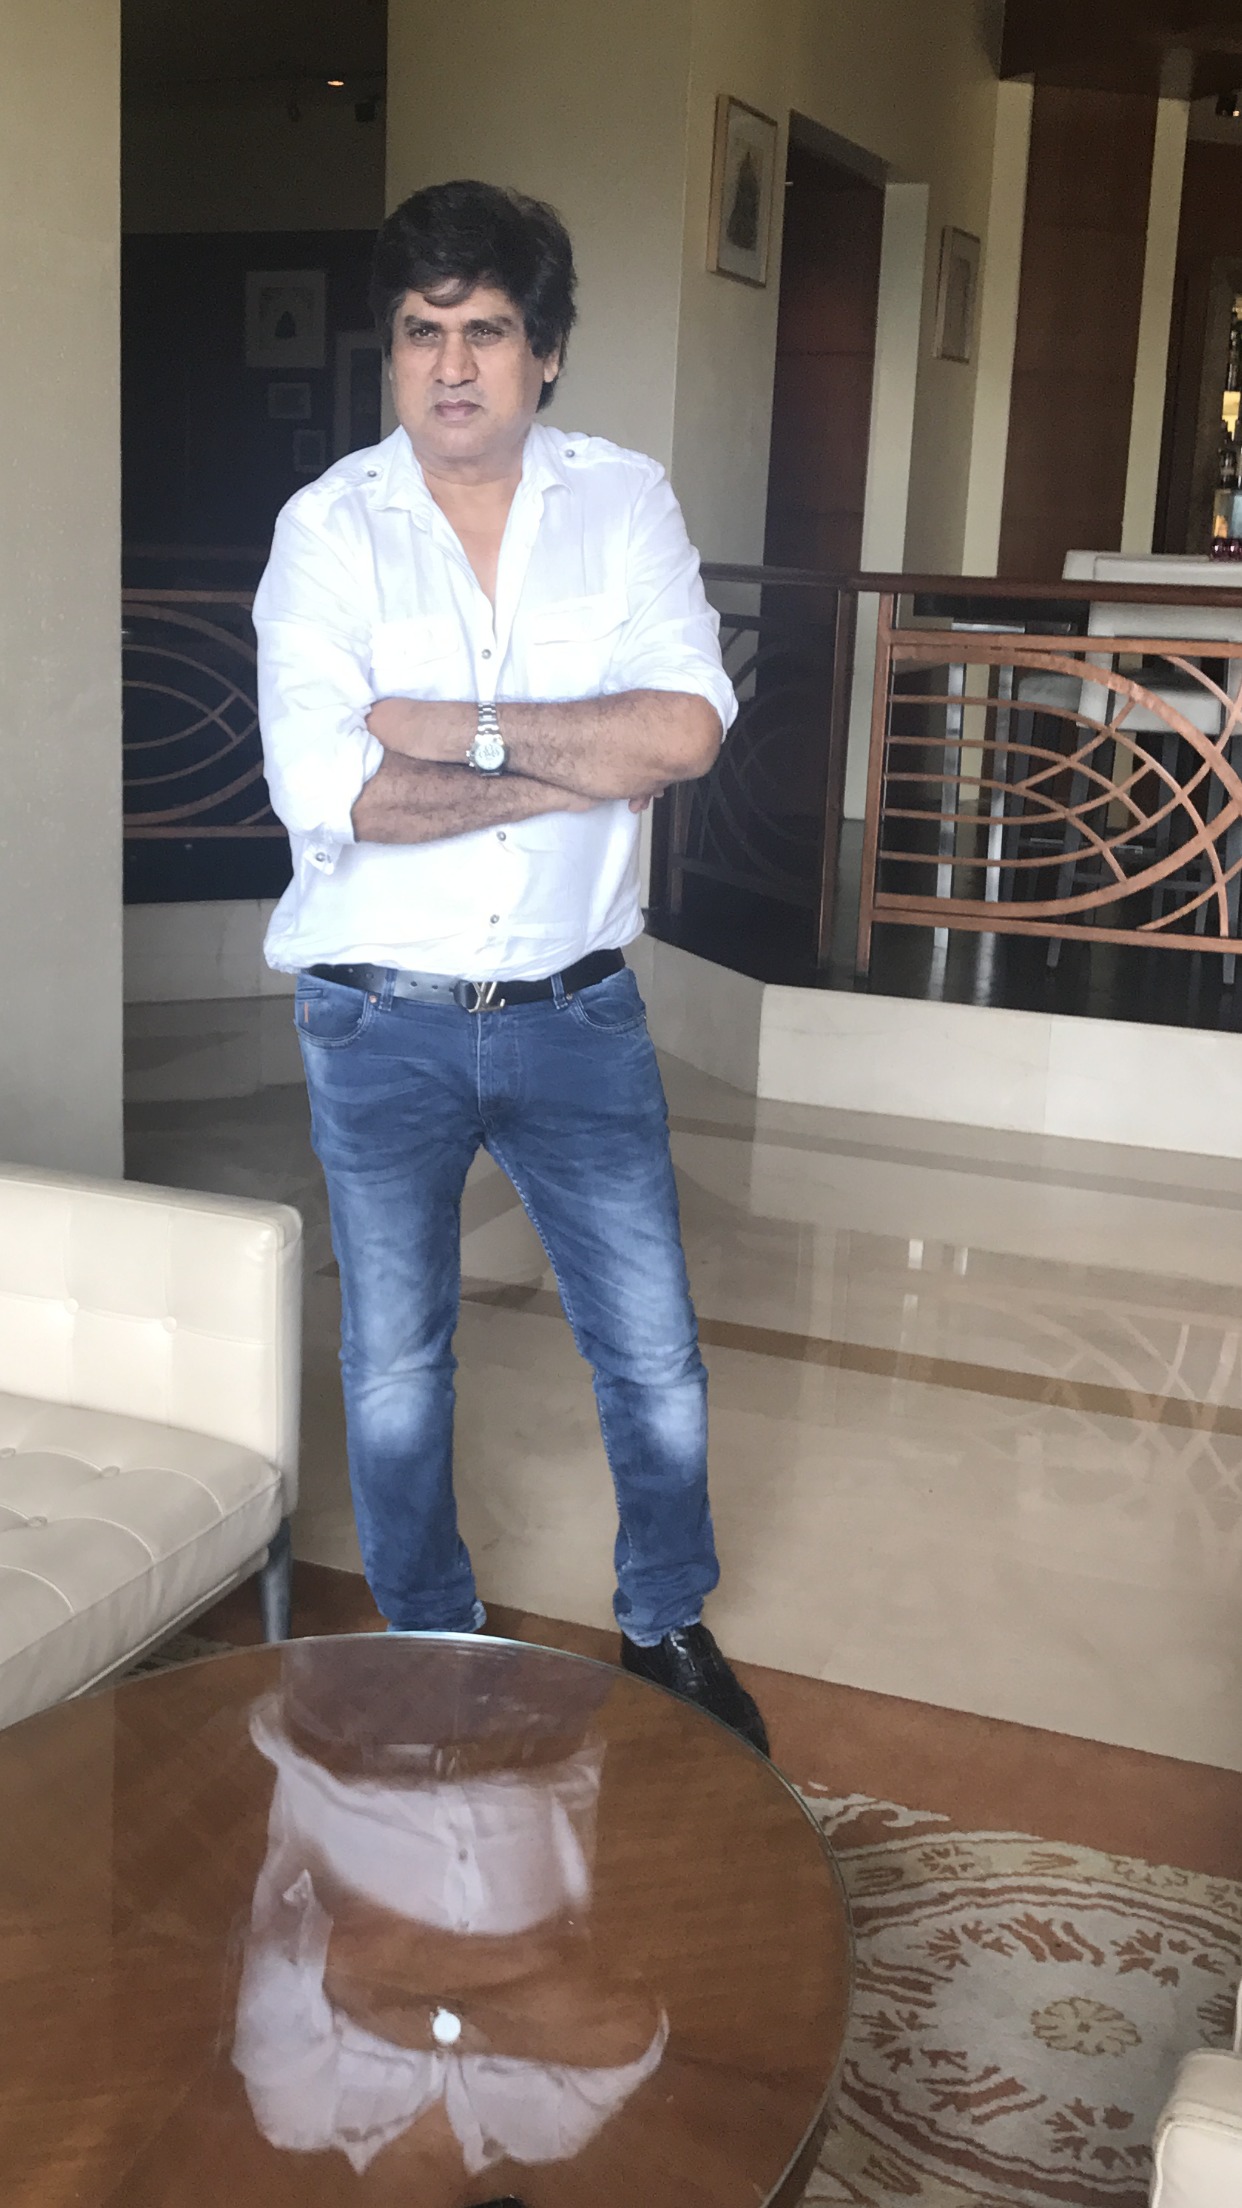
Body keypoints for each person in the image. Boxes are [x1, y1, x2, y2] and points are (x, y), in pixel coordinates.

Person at [253, 177, 767, 1756]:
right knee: (395, 1363)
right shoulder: (329, 528)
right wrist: (579, 765)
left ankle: (664, 1620)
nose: (452, 365)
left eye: (485, 330)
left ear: (543, 351)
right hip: (377, 1017)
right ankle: (429, 1634)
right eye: (422, 333)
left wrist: (451, 731)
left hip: (575, 1010)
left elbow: (684, 731)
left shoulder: (623, 502)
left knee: (652, 1353)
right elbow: (335, 793)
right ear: (392, 352)